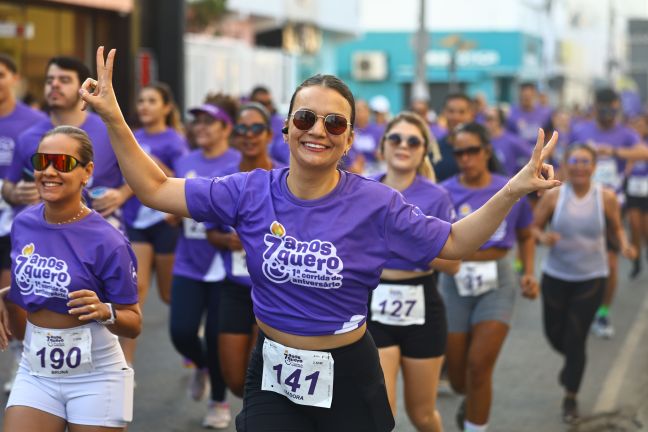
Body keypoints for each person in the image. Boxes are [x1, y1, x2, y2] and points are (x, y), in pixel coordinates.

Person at [79, 47, 560, 432]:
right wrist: (114, 118)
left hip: (348, 371)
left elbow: (454, 243)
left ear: (349, 140)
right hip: (273, 368)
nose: (318, 131)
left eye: (335, 123)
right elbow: (157, 189)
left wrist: (513, 189)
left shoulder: (376, 203)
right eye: (306, 119)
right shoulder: (249, 190)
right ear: (286, 128)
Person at [0, 125, 141, 431]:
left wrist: (106, 311)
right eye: (41, 162)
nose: (49, 171)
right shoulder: (23, 224)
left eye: (62, 163)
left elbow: (133, 322)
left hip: (97, 376)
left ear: (86, 172)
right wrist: (5, 294)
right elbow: (44, 285)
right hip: (36, 371)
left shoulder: (109, 241)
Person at [439, 123, 538, 432]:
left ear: (486, 152)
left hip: (498, 281)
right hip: (454, 282)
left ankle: (474, 425)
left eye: (472, 151)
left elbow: (526, 234)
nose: (466, 158)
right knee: (457, 378)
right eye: (459, 152)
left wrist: (529, 272)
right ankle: (471, 404)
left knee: (479, 367)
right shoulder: (443, 191)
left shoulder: (509, 187)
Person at [367, 111, 458, 432]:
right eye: (395, 138)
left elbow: (453, 263)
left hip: (422, 305)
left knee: (422, 415)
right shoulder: (364, 189)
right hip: (373, 306)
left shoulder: (436, 196)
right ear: (382, 146)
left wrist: (404, 243)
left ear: (423, 151)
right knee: (383, 413)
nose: (402, 145)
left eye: (412, 141)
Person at [532, 143, 635, 423]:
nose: (579, 166)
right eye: (574, 161)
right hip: (556, 275)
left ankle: (570, 397)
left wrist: (625, 245)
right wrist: (543, 238)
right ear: (566, 164)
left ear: (594, 167)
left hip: (591, 277)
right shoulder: (554, 196)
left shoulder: (606, 197)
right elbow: (534, 226)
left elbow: (615, 227)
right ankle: (572, 365)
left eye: (585, 161)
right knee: (555, 335)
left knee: (576, 337)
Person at [169, 98, 240, 429]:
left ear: (226, 128)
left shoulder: (239, 162)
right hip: (189, 260)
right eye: (195, 121)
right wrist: (172, 214)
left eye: (208, 122)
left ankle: (218, 401)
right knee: (181, 332)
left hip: (225, 265)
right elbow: (175, 206)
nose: (200, 127)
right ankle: (202, 365)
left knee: (216, 337)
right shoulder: (185, 162)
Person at [206, 102, 283, 398]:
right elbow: (211, 232)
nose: (249, 135)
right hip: (235, 288)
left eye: (256, 129)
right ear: (235, 135)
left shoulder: (285, 176)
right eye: (242, 129)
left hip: (275, 289)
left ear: (268, 134)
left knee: (264, 381)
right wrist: (228, 241)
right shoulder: (224, 178)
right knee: (236, 380)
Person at [2, 56, 131, 231]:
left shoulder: (110, 130)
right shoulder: (28, 136)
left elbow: (144, 175)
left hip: (99, 236)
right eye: (50, 80)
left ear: (84, 88)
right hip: (44, 240)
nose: (54, 85)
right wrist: (16, 193)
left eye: (64, 80)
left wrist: (122, 194)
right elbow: (9, 185)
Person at [569, 88, 648, 338]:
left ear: (617, 107)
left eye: (612, 108)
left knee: (611, 264)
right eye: (603, 107)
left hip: (612, 207)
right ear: (595, 106)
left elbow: (643, 152)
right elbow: (565, 160)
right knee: (578, 260)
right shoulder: (581, 131)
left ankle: (602, 313)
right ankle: (578, 306)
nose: (607, 113)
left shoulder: (626, 133)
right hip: (580, 204)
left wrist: (612, 152)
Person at [120, 83, 188, 367]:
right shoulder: (133, 137)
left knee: (168, 293)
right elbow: (125, 177)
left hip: (164, 221)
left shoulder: (175, 141)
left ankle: (190, 334)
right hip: (136, 220)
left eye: (152, 101)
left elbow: (183, 180)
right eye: (141, 100)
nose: (144, 106)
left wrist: (155, 166)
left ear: (166, 108)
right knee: (136, 291)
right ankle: (126, 365)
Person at [0, 53, 48, 394]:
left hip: (12, 223)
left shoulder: (34, 122)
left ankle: (19, 353)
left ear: (14, 78)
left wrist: (19, 191)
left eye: (1, 74)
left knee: (11, 294)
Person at [433, 93, 476, 182]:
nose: (456, 117)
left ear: (471, 115)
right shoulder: (434, 149)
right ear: (444, 113)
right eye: (451, 111)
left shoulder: (481, 148)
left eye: (462, 112)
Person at [625, 113, 648, 278]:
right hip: (632, 192)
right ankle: (636, 263)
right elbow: (624, 172)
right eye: (635, 125)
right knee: (634, 228)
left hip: (646, 192)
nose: (638, 128)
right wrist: (631, 159)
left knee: (646, 230)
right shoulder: (627, 146)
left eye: (641, 125)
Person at [484, 106, 532, 177]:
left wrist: (519, 177)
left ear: (499, 121)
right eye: (485, 119)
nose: (486, 123)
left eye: (490, 119)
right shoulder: (483, 141)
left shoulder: (512, 140)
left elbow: (532, 156)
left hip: (507, 185)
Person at [250, 86, 289, 165]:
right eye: (262, 103)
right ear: (252, 103)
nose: (266, 107)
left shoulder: (280, 123)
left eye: (269, 103)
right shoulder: (245, 123)